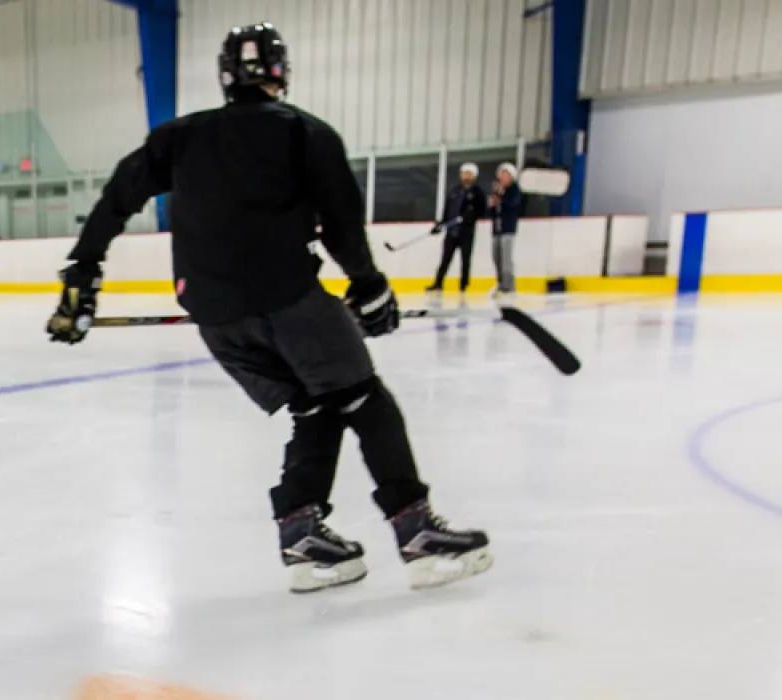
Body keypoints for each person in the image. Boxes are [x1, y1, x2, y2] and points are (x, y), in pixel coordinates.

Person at [46, 23, 491, 593]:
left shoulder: (180, 137)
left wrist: (84, 269)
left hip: (216, 320)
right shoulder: (307, 134)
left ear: (225, 76)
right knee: (366, 399)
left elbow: (118, 196)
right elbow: (341, 227)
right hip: (289, 303)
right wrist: (369, 285)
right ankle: (416, 530)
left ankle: (302, 533)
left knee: (316, 404)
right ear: (281, 73)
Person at [427, 163, 487, 294]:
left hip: (466, 231)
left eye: (468, 174)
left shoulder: (477, 193)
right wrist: (440, 224)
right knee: (445, 258)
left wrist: (471, 216)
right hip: (451, 231)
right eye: (464, 173)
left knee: (465, 259)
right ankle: (438, 283)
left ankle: (463, 285)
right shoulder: (454, 191)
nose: (465, 176)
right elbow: (448, 209)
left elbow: (481, 211)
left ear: (474, 176)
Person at [488, 163, 523, 297]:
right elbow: (493, 210)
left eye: (506, 174)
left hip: (508, 229)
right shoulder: (497, 191)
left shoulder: (514, 190)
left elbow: (513, 205)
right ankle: (501, 283)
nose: (503, 177)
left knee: (506, 259)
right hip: (497, 228)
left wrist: (500, 199)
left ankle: (508, 286)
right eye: (501, 174)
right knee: (496, 257)